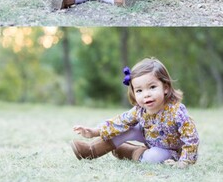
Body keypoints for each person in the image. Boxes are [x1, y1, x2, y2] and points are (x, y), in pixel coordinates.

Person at [71, 58, 199, 168]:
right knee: (125, 128)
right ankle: (91, 150)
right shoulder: (140, 110)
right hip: (149, 136)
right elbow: (119, 122)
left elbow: (191, 137)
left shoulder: (176, 111)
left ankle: (130, 151)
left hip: (169, 149)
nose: (146, 94)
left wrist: (184, 161)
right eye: (139, 90)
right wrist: (94, 131)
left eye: (152, 87)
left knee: (152, 158)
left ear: (165, 87)